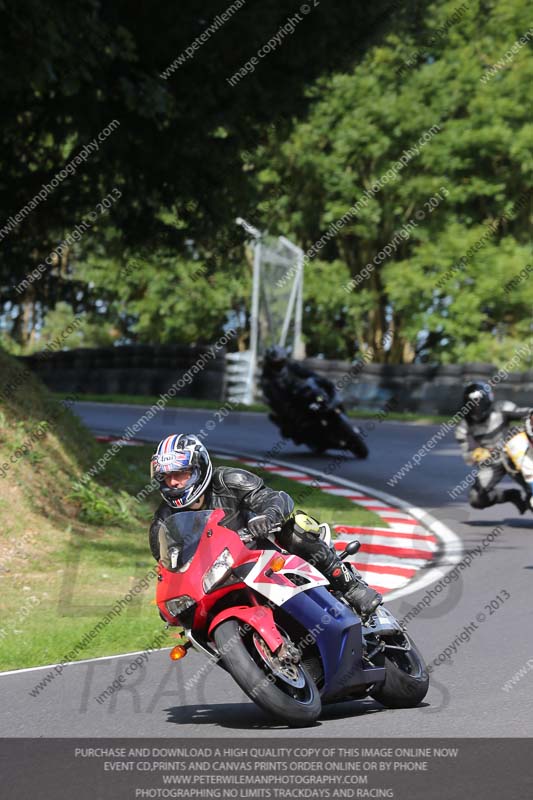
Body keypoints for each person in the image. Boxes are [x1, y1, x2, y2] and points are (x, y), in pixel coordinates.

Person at [149, 433, 382, 619]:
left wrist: (267, 518)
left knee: (297, 528)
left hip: (263, 552)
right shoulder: (164, 519)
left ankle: (350, 586)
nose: (174, 482)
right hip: (219, 575)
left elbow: (275, 498)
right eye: (167, 477)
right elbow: (169, 565)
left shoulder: (229, 480)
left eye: (181, 473)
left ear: (199, 469)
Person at [455, 382, 531, 512]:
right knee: (476, 498)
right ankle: (510, 495)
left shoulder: (502, 407)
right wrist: (477, 454)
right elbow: (468, 457)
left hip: (514, 453)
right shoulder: (463, 427)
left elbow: (526, 413)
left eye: (479, 402)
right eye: (472, 404)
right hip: (491, 460)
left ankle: (529, 495)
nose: (476, 408)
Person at [261, 345, 337, 435]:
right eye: (276, 363)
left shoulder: (290, 365)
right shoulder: (267, 378)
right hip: (287, 401)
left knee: (318, 396)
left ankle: (324, 405)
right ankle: (303, 431)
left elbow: (305, 372)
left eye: (281, 361)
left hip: (301, 391)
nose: (279, 365)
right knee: (290, 420)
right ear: (270, 363)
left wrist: (320, 379)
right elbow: (274, 397)